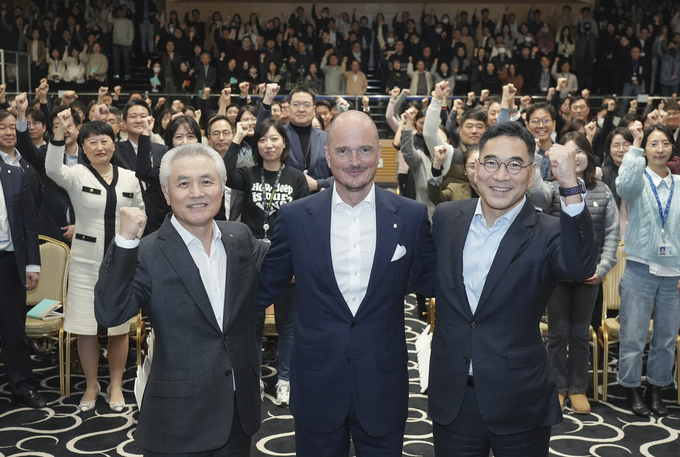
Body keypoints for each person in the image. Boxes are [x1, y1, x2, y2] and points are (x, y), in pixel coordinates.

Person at [258, 110, 436, 456]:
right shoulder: (295, 218)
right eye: (343, 151)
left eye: (365, 150)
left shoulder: (411, 216)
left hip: (383, 384)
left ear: (380, 154)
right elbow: (264, 288)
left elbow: (433, 284)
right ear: (327, 156)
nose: (355, 161)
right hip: (316, 384)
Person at [428, 121, 597, 457]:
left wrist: (569, 184)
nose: (501, 175)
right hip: (454, 397)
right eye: (491, 163)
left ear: (531, 174)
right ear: (475, 170)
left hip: (519, 398)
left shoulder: (547, 231)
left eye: (514, 165)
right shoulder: (447, 218)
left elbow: (580, 267)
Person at [94, 143, 269, 456]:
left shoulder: (239, 237)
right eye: (184, 183)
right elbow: (110, 312)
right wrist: (123, 241)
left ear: (222, 186)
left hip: (237, 414)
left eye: (206, 181)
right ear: (165, 191)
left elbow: (287, 262)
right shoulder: (147, 252)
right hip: (176, 422)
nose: (196, 192)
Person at [45, 109, 144, 413]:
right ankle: (92, 383)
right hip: (86, 263)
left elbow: (141, 213)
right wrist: (60, 132)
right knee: (86, 327)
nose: (99, 147)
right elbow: (51, 168)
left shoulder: (129, 177)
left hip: (121, 263)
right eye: (92, 143)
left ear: (114, 143)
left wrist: (134, 231)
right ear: (84, 149)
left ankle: (115, 382)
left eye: (105, 141)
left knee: (119, 328)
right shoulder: (76, 175)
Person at [225, 118, 309, 405]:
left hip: (284, 257)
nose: (268, 144)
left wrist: (299, 264)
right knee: (253, 325)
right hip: (251, 257)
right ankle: (255, 380)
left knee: (287, 324)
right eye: (262, 140)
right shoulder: (248, 174)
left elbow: (305, 226)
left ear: (284, 143)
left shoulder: (296, 178)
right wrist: (237, 136)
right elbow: (223, 173)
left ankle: (284, 380)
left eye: (274, 139)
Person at [542, 132, 619, 414]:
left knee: (579, 334)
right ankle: (557, 387)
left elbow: (612, 234)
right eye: (568, 153)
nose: (574, 158)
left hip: (591, 277)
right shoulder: (552, 189)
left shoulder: (603, 190)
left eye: (580, 152)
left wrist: (602, 268)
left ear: (588, 157)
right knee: (557, 334)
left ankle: (577, 388)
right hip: (558, 276)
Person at [615, 122, 680, 418]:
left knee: (666, 337)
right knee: (633, 336)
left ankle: (656, 387)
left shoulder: (679, 185)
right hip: (640, 269)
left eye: (664, 143)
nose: (660, 149)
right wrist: (636, 144)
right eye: (654, 144)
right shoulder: (638, 180)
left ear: (672, 148)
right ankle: (630, 388)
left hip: (674, 275)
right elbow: (623, 186)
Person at [0, 116, 45, 409]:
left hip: (7, 261)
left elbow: (29, 222)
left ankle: (23, 385)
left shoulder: (15, 172)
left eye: (9, 126)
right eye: (0, 127)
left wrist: (32, 264)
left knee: (14, 329)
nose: (7, 132)